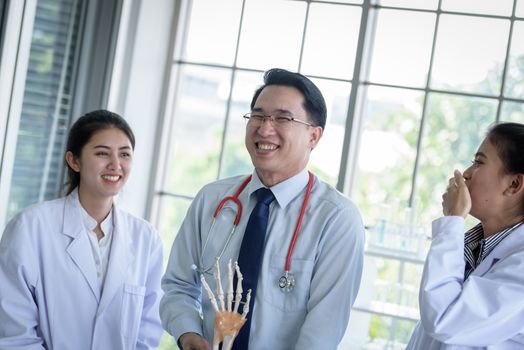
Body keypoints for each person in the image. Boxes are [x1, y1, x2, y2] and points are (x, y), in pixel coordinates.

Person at [160, 68, 365, 350]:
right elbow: (178, 286)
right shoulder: (211, 200)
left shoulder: (336, 219)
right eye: (257, 115)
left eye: (282, 118)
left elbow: (322, 332)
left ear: (313, 137)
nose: (265, 128)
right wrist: (189, 334)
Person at [0, 110, 164, 349]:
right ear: (74, 161)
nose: (116, 165)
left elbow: (147, 331)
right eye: (102, 153)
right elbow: (14, 331)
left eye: (125, 154)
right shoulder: (31, 227)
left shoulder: (146, 239)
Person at [407, 122, 524, 349]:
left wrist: (453, 220)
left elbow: (445, 321)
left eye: (479, 162)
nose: (465, 174)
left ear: (514, 184)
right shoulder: (475, 247)